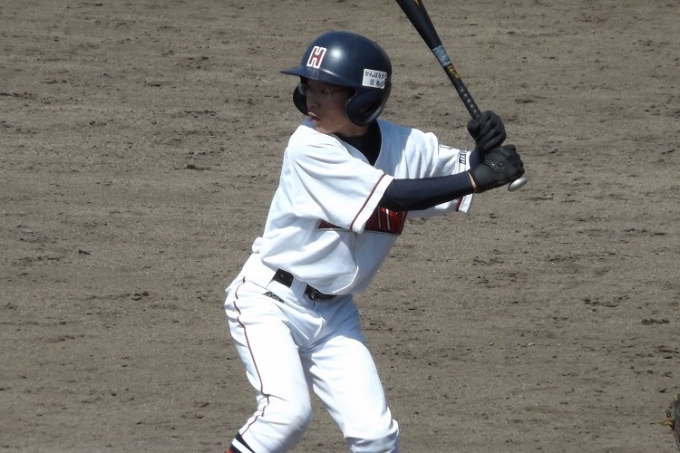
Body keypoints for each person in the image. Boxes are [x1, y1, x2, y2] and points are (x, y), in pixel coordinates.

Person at [223, 30, 524, 453]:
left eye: (326, 91)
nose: (311, 100)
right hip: (270, 301)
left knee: (376, 436)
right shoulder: (308, 146)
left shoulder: (406, 146)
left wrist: (485, 150)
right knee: (285, 416)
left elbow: (456, 174)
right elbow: (395, 195)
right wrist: (479, 178)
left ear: (364, 101)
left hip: (335, 315)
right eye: (308, 87)